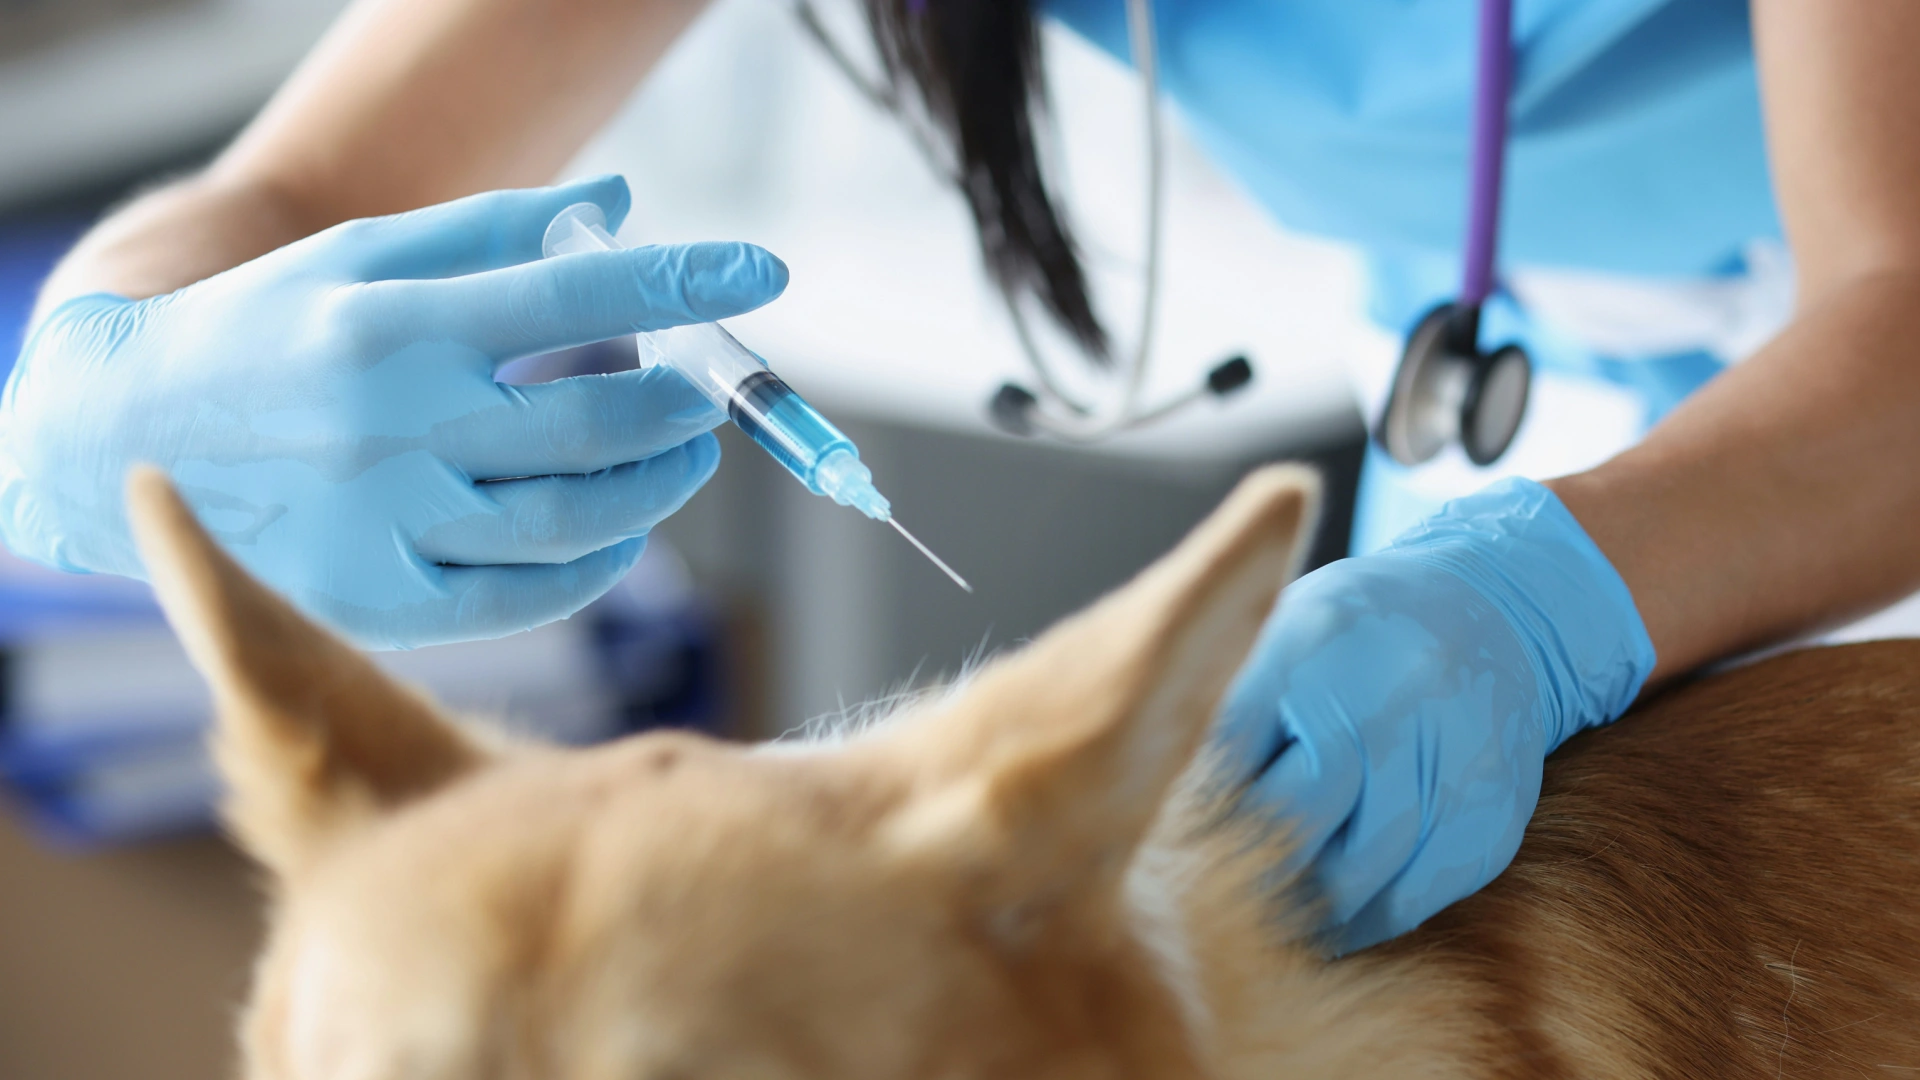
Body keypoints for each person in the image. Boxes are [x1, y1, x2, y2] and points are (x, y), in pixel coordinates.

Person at [6, 0, 1919, 951]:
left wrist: (1534, 602)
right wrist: (102, 402)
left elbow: (1898, 305)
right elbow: (280, 193)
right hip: (1499, 447)